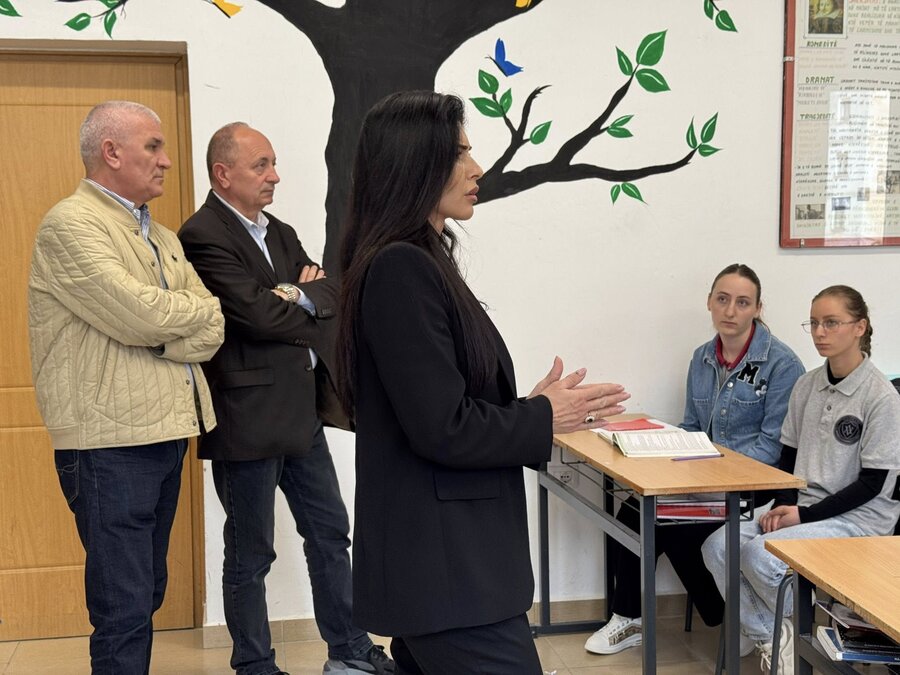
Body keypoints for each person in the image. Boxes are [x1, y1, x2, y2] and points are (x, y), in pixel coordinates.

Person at [335, 90, 631, 674]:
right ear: (416, 162)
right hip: (447, 572)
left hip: (448, 571)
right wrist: (544, 416)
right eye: (460, 153)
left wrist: (534, 408)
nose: (477, 169)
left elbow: (442, 405)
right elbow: (442, 428)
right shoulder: (400, 267)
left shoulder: (419, 259)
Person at [179, 122, 392, 675]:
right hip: (245, 418)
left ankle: (349, 649)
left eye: (273, 163)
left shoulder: (280, 230)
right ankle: (255, 664)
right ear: (223, 173)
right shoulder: (201, 235)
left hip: (303, 412)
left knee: (330, 533)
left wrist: (295, 293)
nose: (275, 175)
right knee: (251, 555)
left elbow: (331, 291)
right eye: (261, 165)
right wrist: (302, 301)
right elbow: (254, 316)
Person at [27, 100, 225, 674]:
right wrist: (170, 323)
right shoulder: (70, 224)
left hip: (164, 431)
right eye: (153, 147)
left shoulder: (160, 234)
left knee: (146, 590)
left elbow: (213, 322)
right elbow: (140, 315)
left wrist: (165, 335)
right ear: (111, 152)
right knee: (123, 605)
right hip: (108, 444)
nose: (166, 161)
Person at [585, 264, 805, 656]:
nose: (730, 311)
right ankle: (629, 619)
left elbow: (773, 447)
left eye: (742, 302)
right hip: (706, 479)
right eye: (723, 299)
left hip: (755, 488)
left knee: (670, 524)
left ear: (757, 308)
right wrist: (667, 455)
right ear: (709, 302)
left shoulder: (781, 364)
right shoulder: (702, 357)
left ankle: (731, 619)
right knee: (634, 509)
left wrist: (708, 473)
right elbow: (691, 427)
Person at [702, 284, 900, 675]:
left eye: (832, 323)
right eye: (814, 323)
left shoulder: (881, 398)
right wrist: (782, 505)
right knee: (717, 546)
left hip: (858, 520)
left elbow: (873, 484)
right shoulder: (807, 385)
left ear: (860, 327)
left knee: (761, 556)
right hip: (804, 506)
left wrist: (801, 517)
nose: (820, 333)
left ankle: (783, 634)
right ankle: (775, 635)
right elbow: (788, 458)